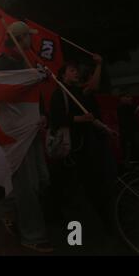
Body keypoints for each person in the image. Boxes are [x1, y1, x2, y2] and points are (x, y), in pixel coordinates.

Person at [0, 21, 53, 253]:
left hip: (33, 127)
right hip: (17, 133)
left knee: (41, 180)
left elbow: (33, 95)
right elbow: (3, 93)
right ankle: (32, 234)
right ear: (20, 38)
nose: (32, 40)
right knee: (26, 184)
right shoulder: (1, 63)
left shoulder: (26, 62)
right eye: (29, 36)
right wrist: (32, 76)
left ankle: (5, 209)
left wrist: (42, 113)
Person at [49, 58, 118, 233]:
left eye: (76, 70)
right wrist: (79, 119)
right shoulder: (60, 93)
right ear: (63, 75)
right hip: (72, 147)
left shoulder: (79, 92)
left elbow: (91, 114)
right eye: (72, 70)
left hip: (88, 144)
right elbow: (56, 119)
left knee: (95, 182)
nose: (76, 73)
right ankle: (68, 223)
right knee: (72, 187)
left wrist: (105, 129)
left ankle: (106, 220)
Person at [117, 92, 139, 162]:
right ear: (122, 98)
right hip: (132, 133)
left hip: (127, 133)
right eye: (128, 97)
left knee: (131, 150)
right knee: (136, 149)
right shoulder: (127, 107)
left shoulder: (121, 107)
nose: (130, 99)